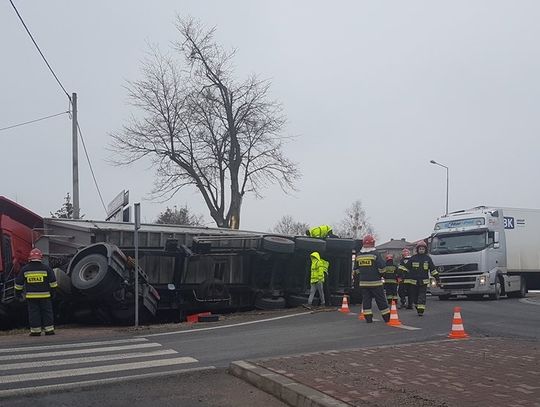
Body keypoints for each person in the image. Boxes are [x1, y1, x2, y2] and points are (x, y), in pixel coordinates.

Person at [15, 248, 58, 336]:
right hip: (45, 296)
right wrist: (53, 292)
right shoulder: (46, 269)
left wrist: (18, 294)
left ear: (30, 258)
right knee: (47, 312)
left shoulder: (25, 269)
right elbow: (53, 282)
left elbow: (19, 283)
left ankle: (35, 331)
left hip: (31, 297)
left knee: (34, 313)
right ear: (40, 258)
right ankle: (49, 330)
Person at [354, 235, 390, 323]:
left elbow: (356, 270)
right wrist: (382, 274)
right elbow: (382, 267)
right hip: (375, 283)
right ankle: (386, 318)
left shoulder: (358, 255)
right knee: (380, 300)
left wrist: (362, 276)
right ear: (373, 243)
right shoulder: (375, 254)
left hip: (363, 283)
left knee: (366, 300)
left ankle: (368, 318)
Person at [405, 241, 439, 316]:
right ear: (417, 249)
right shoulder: (413, 258)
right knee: (415, 297)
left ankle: (421, 311)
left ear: (425, 250)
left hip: (423, 282)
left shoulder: (428, 259)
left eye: (423, 249)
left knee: (422, 296)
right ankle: (417, 306)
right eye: (420, 249)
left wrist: (437, 277)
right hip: (413, 282)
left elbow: (432, 269)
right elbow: (406, 268)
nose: (421, 250)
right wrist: (402, 275)